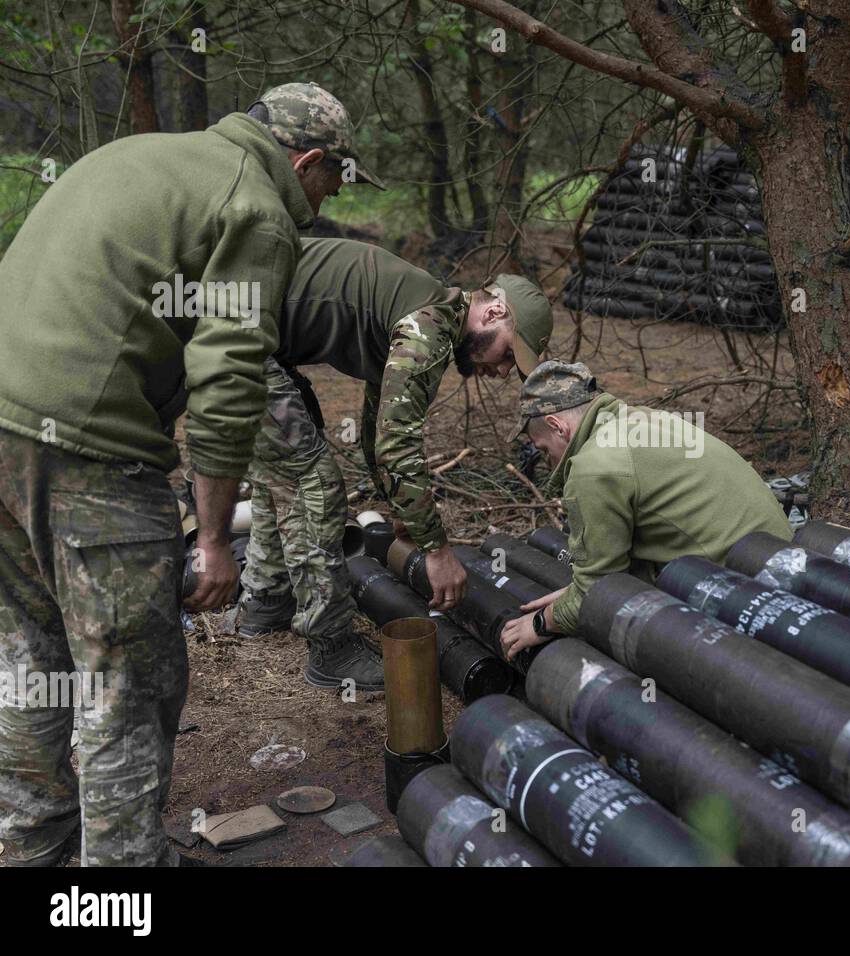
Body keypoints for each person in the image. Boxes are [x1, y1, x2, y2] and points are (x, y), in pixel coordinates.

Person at [0, 81, 379, 867]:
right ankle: (119, 889)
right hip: (88, 457)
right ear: (304, 160)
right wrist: (212, 537)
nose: (332, 195)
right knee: (126, 690)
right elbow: (230, 372)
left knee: (34, 661)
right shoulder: (259, 207)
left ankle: (32, 854)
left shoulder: (141, 155)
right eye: (334, 176)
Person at [233, 237, 554, 691]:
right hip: (232, 332)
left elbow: (375, 428)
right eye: (507, 355)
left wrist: (402, 511)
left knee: (285, 466)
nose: (502, 372)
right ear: (494, 313)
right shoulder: (428, 326)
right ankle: (331, 649)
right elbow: (396, 443)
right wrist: (438, 552)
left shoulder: (418, 310)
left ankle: (265, 604)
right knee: (315, 484)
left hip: (235, 326)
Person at [498, 361, 792, 661]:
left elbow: (600, 594)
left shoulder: (593, 468)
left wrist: (541, 622)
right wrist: (572, 593)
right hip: (787, 562)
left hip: (747, 596)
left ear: (557, 426)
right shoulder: (644, 420)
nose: (547, 461)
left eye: (544, 449)